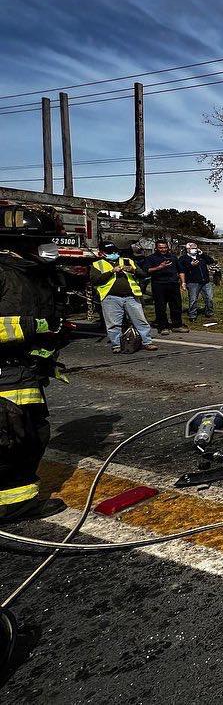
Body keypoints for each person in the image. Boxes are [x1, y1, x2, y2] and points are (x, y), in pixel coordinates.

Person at [0, 210, 71, 524]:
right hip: (6, 373)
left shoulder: (34, 274)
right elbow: (23, 323)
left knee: (30, 436)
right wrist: (33, 326)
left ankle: (17, 502)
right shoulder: (4, 274)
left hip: (27, 372)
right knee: (10, 440)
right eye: (42, 241)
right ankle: (10, 507)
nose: (49, 247)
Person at [91, 243, 156, 354]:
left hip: (131, 296)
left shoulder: (127, 261)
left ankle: (147, 342)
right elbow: (95, 280)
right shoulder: (98, 264)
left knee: (140, 320)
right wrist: (111, 272)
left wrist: (133, 270)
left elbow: (143, 274)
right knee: (113, 323)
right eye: (110, 252)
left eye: (115, 251)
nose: (114, 254)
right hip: (110, 298)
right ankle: (116, 345)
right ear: (102, 253)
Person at [141, 239, 188, 335]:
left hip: (173, 284)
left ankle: (177, 325)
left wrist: (183, 282)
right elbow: (146, 270)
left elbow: (181, 270)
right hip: (159, 284)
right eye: (161, 248)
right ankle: (163, 326)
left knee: (176, 305)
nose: (163, 250)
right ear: (156, 248)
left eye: (165, 247)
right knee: (160, 307)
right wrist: (159, 267)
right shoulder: (151, 258)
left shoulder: (173, 257)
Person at [178, 242, 215, 323]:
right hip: (192, 282)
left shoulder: (200, 256)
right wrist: (190, 265)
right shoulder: (183, 258)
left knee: (209, 298)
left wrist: (203, 254)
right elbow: (181, 270)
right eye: (193, 248)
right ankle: (192, 315)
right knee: (193, 299)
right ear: (188, 249)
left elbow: (211, 261)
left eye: (196, 248)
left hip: (205, 281)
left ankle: (209, 313)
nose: (195, 249)